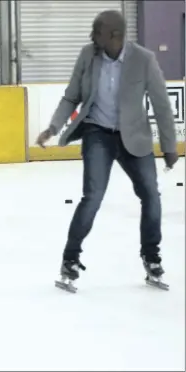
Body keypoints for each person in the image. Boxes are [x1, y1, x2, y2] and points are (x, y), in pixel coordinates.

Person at [36, 10, 179, 290]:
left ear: (114, 35)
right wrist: (53, 128)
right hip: (97, 133)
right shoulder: (89, 55)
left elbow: (162, 105)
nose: (92, 36)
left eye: (97, 32)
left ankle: (152, 258)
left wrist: (169, 146)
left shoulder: (144, 59)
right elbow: (72, 96)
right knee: (92, 196)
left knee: (151, 194)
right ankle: (70, 260)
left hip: (134, 137)